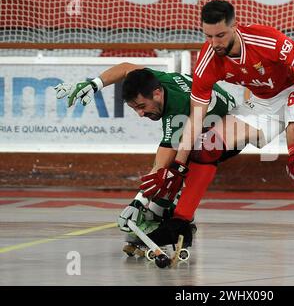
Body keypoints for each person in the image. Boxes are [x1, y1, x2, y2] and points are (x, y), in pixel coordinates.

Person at [140, 0, 294, 254]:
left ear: (234, 26)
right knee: (205, 147)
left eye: (220, 35)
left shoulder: (263, 39)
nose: (215, 43)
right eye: (208, 36)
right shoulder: (208, 59)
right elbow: (195, 116)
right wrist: (178, 165)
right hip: (262, 102)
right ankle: (180, 224)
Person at [55, 63, 262, 253]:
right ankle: (171, 216)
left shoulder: (177, 109)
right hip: (208, 119)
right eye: (135, 108)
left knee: (177, 165)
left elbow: (162, 161)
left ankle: (176, 222)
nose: (140, 114)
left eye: (142, 107)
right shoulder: (155, 80)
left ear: (157, 93)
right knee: (174, 170)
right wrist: (94, 84)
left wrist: (139, 201)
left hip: (230, 131)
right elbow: (127, 68)